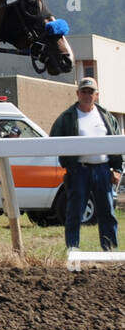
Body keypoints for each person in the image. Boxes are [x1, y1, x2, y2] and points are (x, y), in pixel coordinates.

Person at [51, 77, 121, 252]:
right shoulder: (67, 117)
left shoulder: (106, 116)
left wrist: (117, 169)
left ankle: (109, 250)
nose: (87, 95)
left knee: (107, 212)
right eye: (84, 91)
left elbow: (117, 143)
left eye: (91, 92)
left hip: (103, 170)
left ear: (96, 95)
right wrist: (68, 165)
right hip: (78, 171)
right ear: (78, 93)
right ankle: (73, 249)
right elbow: (54, 142)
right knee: (74, 212)